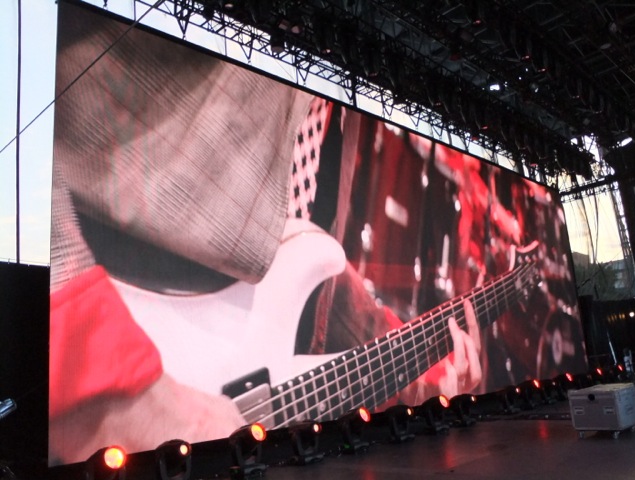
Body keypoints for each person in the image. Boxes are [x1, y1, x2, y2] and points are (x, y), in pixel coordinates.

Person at [49, 2, 481, 464]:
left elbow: (286, 230)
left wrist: (410, 360)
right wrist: (101, 382)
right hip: (109, 333)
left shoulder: (341, 46)